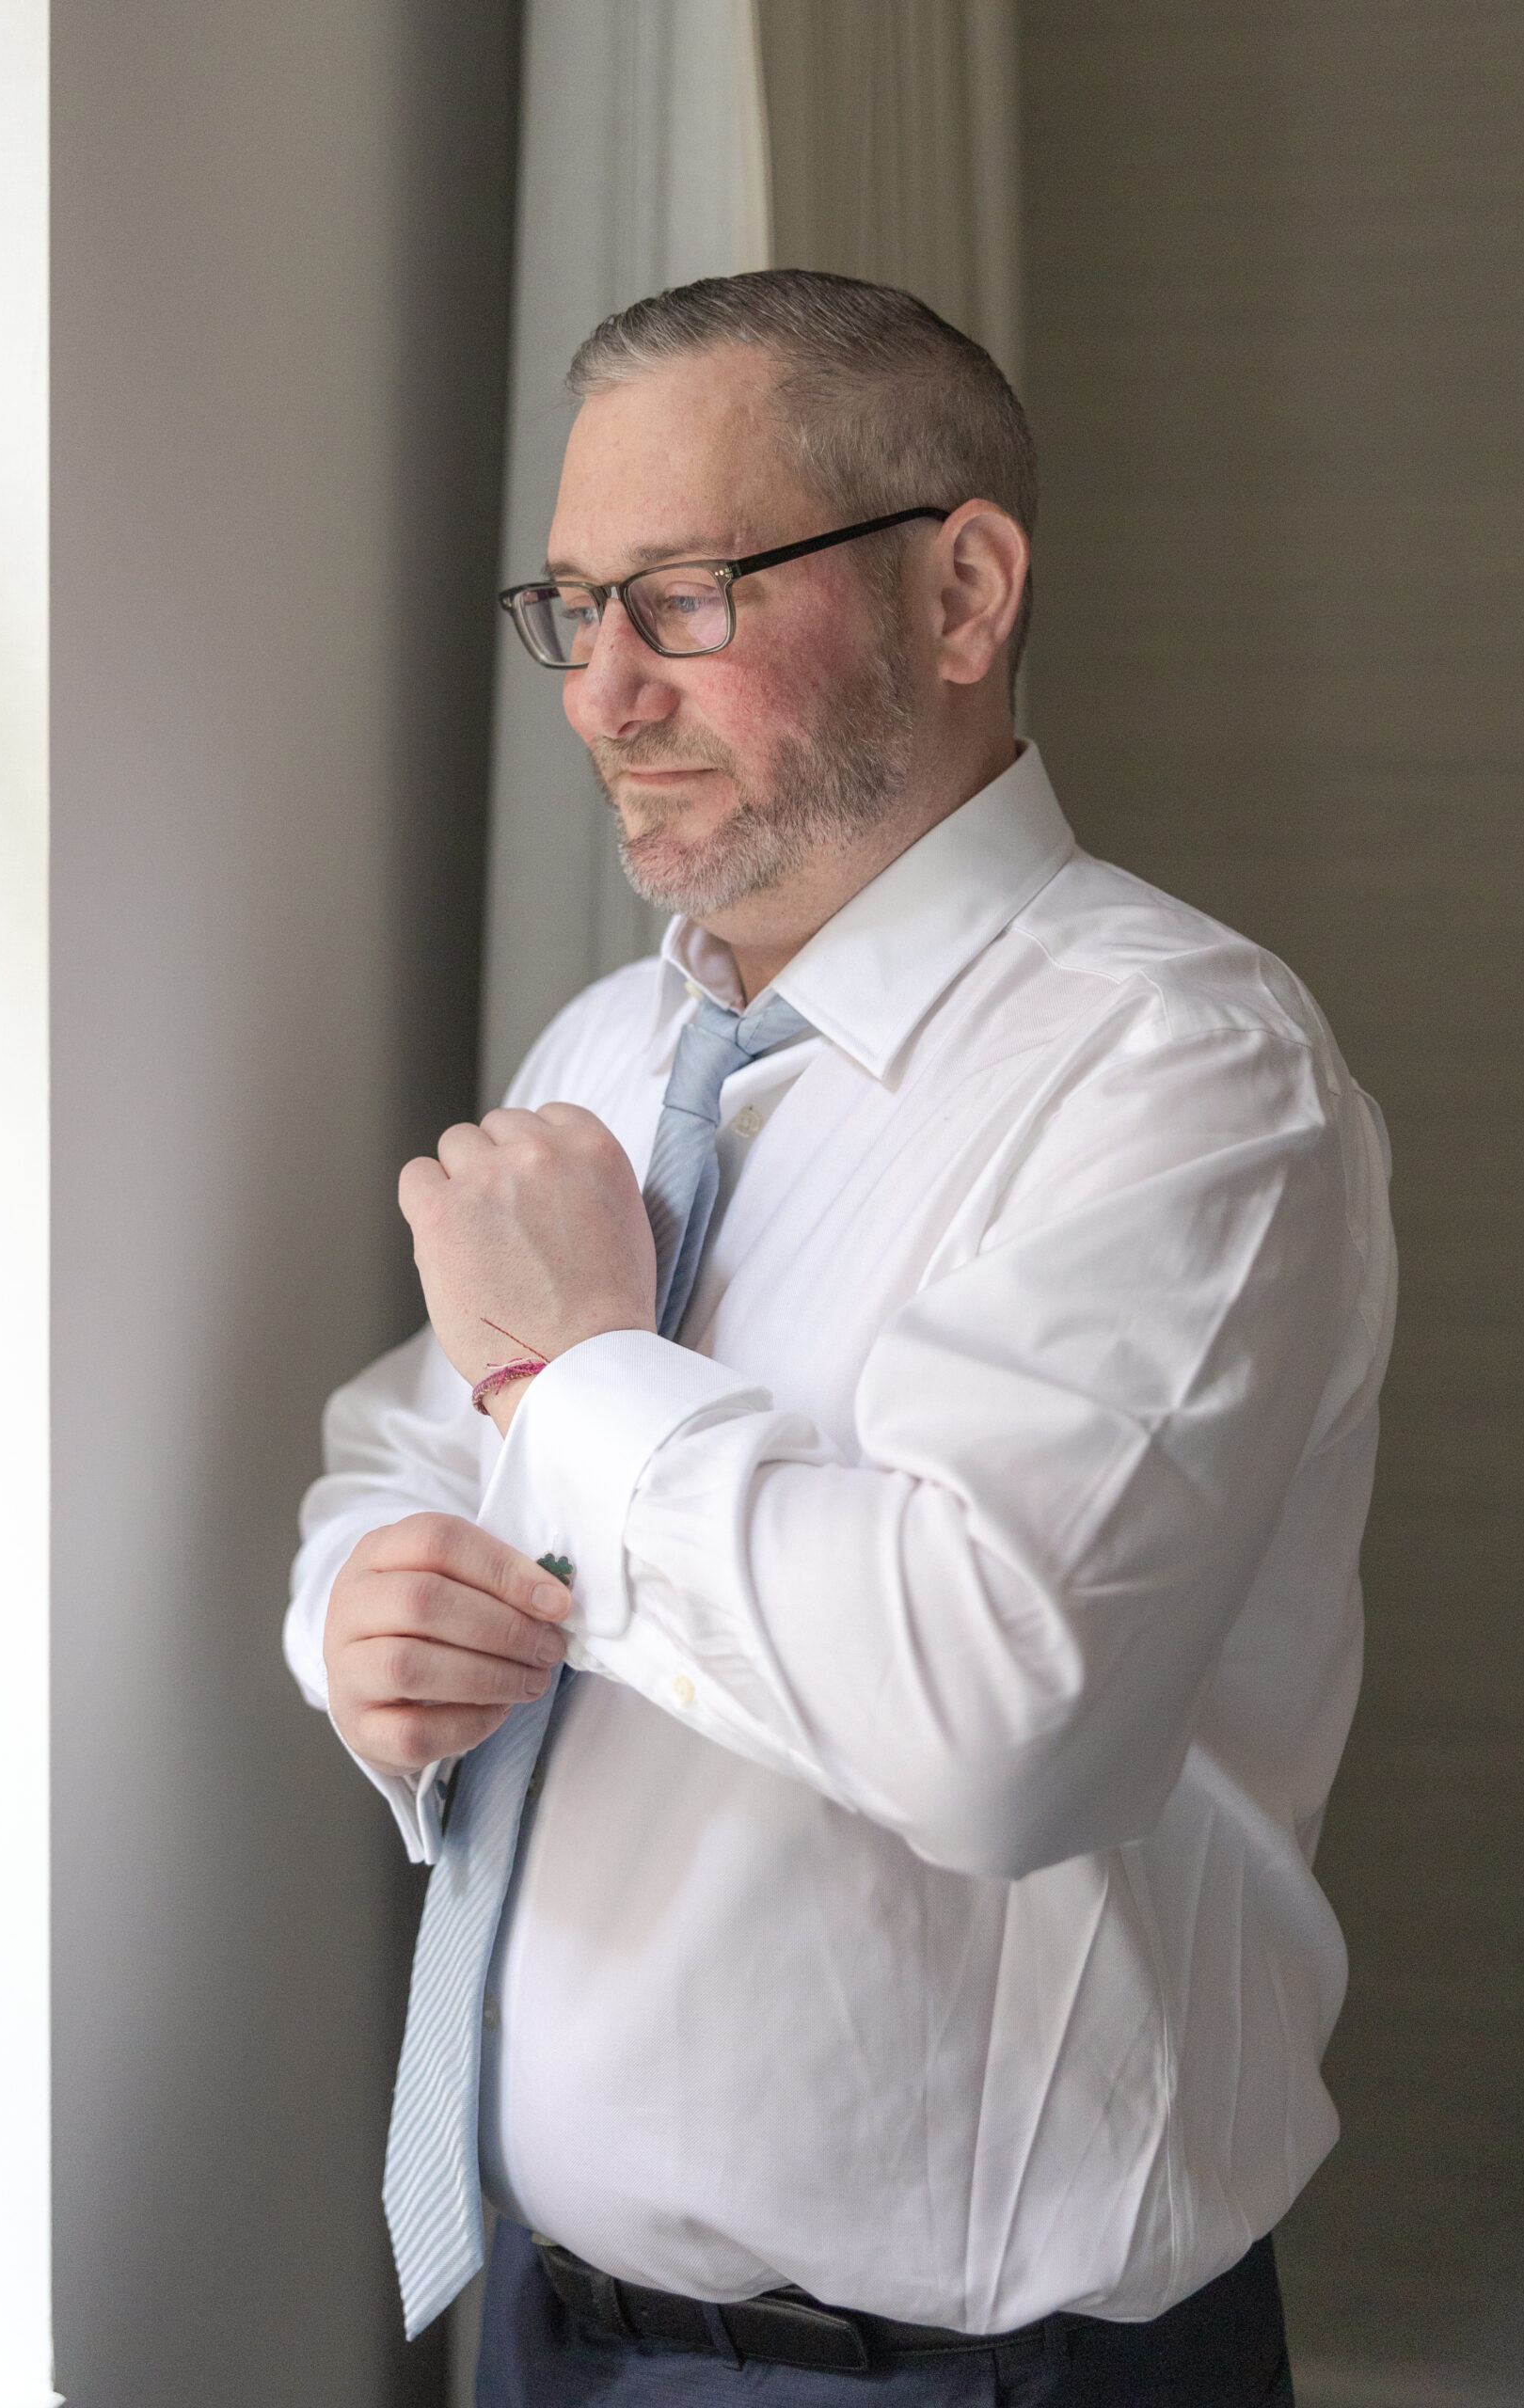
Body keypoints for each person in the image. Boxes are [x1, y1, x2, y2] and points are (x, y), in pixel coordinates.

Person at [284, 270, 1394, 2407]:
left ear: (960, 593)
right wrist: (361, 1615)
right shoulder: (614, 1045)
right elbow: (411, 1453)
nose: (605, 692)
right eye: (573, 606)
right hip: (541, 2323)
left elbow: (998, 1725)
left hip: (960, 2376)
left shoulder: (1178, 1069)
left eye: (685, 596)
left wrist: (571, 1380)